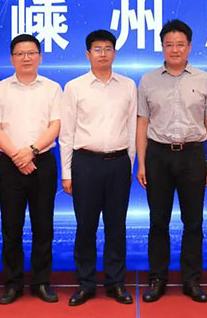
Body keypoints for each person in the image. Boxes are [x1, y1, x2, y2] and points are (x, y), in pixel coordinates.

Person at [137, 19, 207, 303]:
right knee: (158, 221)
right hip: (158, 155)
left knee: (193, 222)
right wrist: (141, 163)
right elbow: (142, 123)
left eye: (180, 44)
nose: (175, 49)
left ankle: (191, 280)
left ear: (190, 47)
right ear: (162, 47)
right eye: (169, 44)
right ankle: (157, 279)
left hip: (193, 154)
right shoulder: (148, 80)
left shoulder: (204, 79)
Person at [59, 30, 137, 306]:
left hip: (118, 163)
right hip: (86, 163)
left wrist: (129, 165)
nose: (103, 54)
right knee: (86, 226)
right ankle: (86, 283)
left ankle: (116, 283)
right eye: (97, 49)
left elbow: (131, 128)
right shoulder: (75, 87)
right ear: (87, 54)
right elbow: (66, 133)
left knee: (116, 225)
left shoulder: (128, 86)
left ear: (115, 53)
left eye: (107, 48)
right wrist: (66, 172)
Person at [0, 34, 62, 305]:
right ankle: (13, 283)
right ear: (12, 59)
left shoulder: (52, 88)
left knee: (43, 225)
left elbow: (55, 126)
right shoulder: (0, 89)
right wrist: (17, 156)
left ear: (40, 57)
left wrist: (31, 152)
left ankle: (41, 282)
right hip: (10, 164)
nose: (26, 58)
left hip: (43, 162)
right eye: (20, 54)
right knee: (11, 226)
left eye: (31, 53)